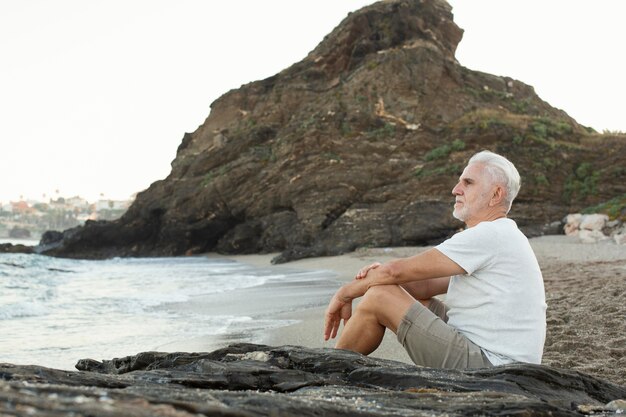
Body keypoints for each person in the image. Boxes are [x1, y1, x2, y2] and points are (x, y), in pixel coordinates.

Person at [323, 150, 547, 369]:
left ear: (496, 195)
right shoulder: (503, 234)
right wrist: (379, 275)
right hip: (496, 355)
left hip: (494, 366)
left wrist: (346, 292)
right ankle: (339, 362)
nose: (455, 190)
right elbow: (423, 286)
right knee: (389, 290)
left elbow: (395, 272)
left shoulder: (490, 235)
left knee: (379, 296)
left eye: (468, 183)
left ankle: (330, 369)